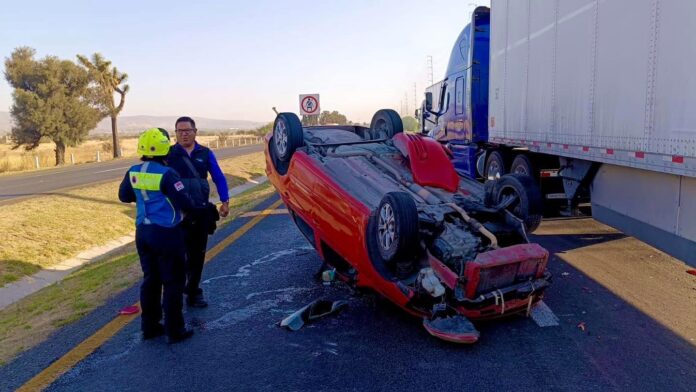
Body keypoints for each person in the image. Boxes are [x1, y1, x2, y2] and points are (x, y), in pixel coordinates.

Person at [118, 128, 196, 344]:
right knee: (173, 281)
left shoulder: (133, 171)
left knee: (150, 280)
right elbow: (184, 202)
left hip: (143, 231)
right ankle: (175, 330)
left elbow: (124, 196)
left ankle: (150, 326)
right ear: (165, 150)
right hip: (167, 232)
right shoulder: (167, 173)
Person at [167, 116, 230, 308]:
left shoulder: (206, 153)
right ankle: (175, 294)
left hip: (200, 212)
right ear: (175, 133)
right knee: (177, 256)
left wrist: (225, 200)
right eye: (180, 131)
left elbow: (218, 177)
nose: (184, 134)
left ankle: (193, 292)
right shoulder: (168, 154)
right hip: (175, 215)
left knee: (197, 255)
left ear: (195, 132)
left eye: (188, 130)